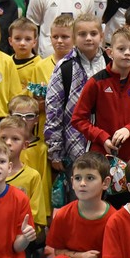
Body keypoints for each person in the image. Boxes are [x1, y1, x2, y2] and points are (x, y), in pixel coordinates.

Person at [70, 26, 130, 163]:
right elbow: (78, 119)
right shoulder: (96, 82)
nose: (127, 53)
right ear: (110, 52)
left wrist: (129, 130)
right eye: (121, 49)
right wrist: (102, 137)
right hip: (101, 155)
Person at [46, 14, 106, 173]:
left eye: (93, 33)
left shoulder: (111, 63)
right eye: (82, 34)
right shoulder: (65, 67)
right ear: (73, 38)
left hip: (106, 142)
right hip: (74, 145)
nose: (88, 38)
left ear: (101, 36)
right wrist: (55, 151)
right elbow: (54, 110)